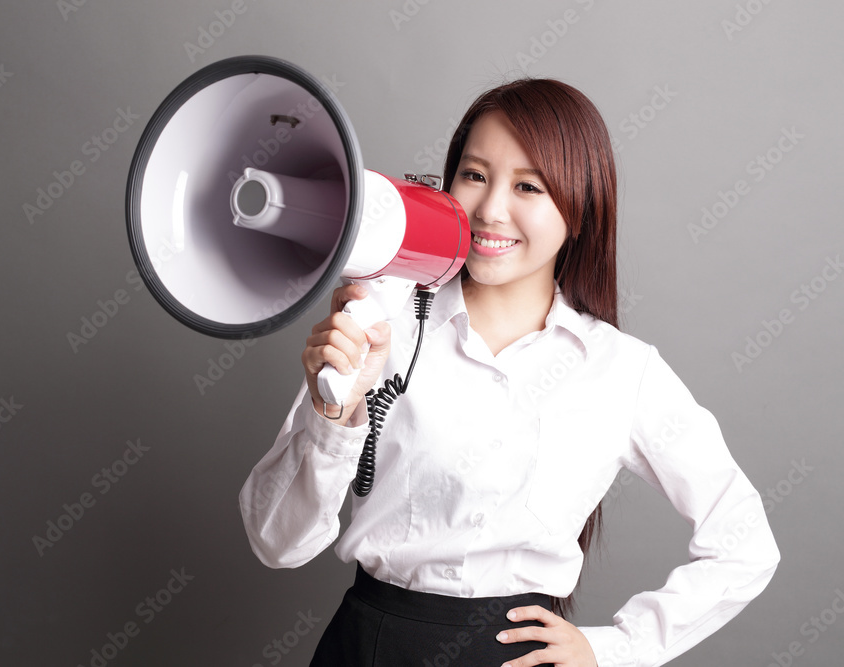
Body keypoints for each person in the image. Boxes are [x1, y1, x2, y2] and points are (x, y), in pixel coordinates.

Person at [239, 78, 780, 667]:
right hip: (366, 646)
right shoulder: (382, 326)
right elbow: (277, 543)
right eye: (474, 176)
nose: (491, 210)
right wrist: (335, 412)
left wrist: (613, 649)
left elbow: (744, 544)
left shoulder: (621, 371)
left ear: (580, 209)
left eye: (528, 186)